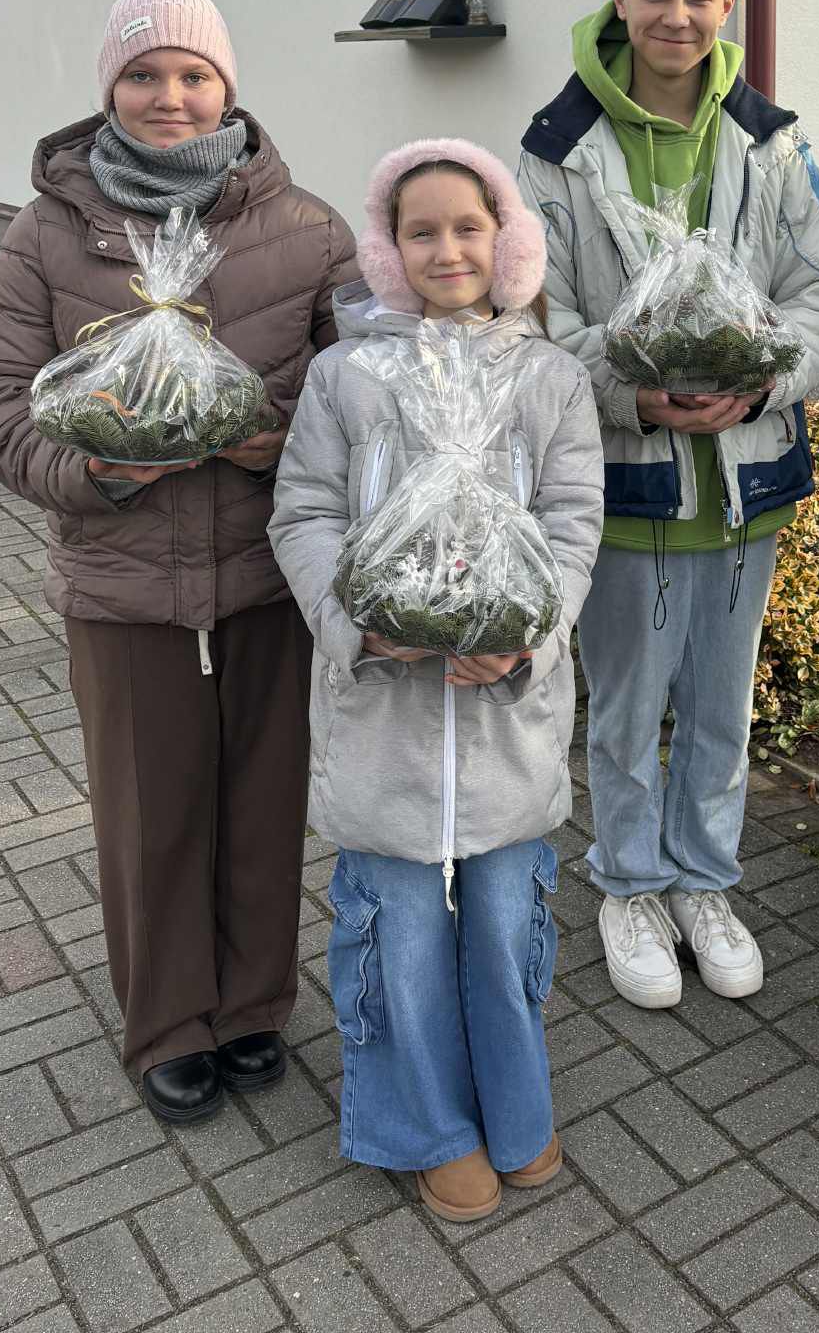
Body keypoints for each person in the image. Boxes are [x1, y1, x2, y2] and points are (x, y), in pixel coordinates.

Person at [0, 0, 356, 1123]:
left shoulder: (308, 227)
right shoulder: (48, 229)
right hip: (121, 584)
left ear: (227, 86)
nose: (169, 94)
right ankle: (169, 1019)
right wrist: (91, 471)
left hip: (268, 575)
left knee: (264, 800)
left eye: (192, 73)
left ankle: (254, 1002)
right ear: (109, 89)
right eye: (142, 73)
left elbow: (362, 391)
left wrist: (279, 443)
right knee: (150, 809)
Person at [518, 0, 819, 1009]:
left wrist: (764, 381)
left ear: (728, 3)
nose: (676, 14)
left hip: (746, 483)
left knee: (721, 707)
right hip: (627, 484)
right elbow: (537, 318)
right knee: (625, 709)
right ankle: (627, 883)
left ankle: (705, 880)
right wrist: (635, 397)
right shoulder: (557, 151)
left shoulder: (772, 140)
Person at [268, 139, 602, 1224]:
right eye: (421, 231)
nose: (447, 248)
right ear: (388, 249)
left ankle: (514, 1103)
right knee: (397, 927)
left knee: (508, 919)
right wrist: (357, 624)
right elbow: (305, 512)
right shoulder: (346, 376)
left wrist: (528, 637)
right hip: (381, 715)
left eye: (469, 226)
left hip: (507, 717)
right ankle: (424, 1125)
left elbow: (572, 525)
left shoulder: (551, 378)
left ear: (508, 241)